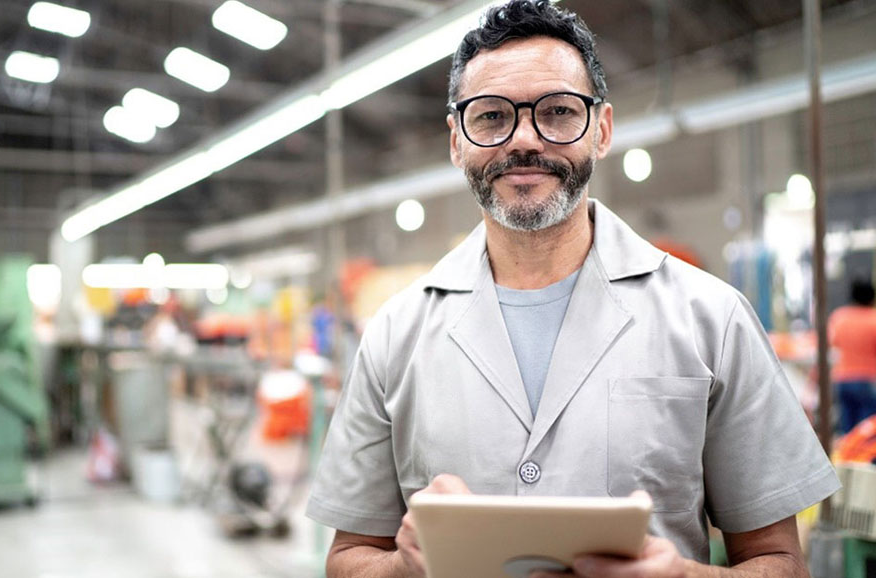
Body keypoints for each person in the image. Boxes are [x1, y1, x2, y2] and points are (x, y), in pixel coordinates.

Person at [306, 1, 840, 576]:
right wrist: (403, 569)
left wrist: (685, 576)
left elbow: (780, 561)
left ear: (602, 129)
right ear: (456, 140)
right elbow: (348, 558)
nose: (526, 140)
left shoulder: (713, 319)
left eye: (558, 112)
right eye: (490, 116)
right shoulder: (394, 334)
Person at [828, 278, 876, 435]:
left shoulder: (840, 318)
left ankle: (848, 458)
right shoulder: (873, 319)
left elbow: (833, 346)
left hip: (843, 379)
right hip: (868, 380)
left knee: (848, 430)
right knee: (867, 432)